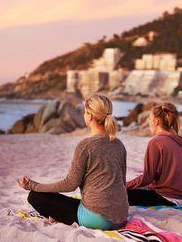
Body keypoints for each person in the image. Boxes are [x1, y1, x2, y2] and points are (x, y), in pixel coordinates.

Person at [17, 94, 128, 230]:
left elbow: (70, 184)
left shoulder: (85, 145)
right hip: (121, 217)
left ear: (90, 116)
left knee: (34, 197)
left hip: (98, 219)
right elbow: (122, 182)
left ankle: (59, 218)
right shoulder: (119, 144)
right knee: (75, 202)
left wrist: (34, 186)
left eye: (85, 111)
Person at [126, 103, 182, 206]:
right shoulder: (179, 141)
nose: (148, 121)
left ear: (156, 121)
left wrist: (125, 185)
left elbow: (147, 177)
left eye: (149, 118)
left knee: (121, 193)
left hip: (168, 198)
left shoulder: (156, 142)